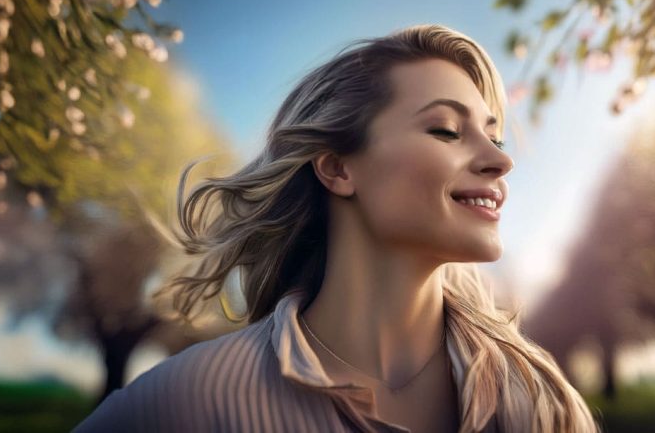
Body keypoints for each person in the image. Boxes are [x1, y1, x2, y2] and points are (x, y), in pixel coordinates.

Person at [73, 24, 599, 433]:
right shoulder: (191, 400)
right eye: (445, 129)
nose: (499, 162)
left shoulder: (540, 404)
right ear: (337, 168)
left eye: (495, 139)